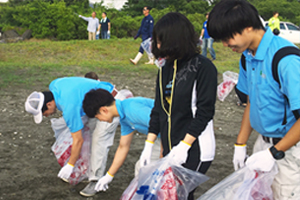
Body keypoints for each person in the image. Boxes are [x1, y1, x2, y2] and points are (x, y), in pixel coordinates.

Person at [208, 1, 300, 199]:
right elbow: (252, 101)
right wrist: (240, 145)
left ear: (248, 26)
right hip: (263, 144)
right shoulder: (247, 56)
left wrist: (274, 152)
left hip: (290, 150)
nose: (225, 44)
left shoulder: (285, 60)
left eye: (227, 37)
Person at [140, 12, 217, 200]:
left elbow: (205, 112)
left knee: (182, 194)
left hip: (194, 148)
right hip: (170, 146)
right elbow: (158, 109)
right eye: (157, 41)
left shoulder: (203, 67)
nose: (158, 46)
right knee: (168, 194)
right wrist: (149, 145)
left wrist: (184, 146)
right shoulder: (166, 68)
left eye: (161, 41)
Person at [24, 77, 121, 197]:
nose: (46, 116)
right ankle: (87, 171)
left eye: (44, 113)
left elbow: (78, 140)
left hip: (111, 103)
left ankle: (95, 180)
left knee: (99, 139)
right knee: (87, 133)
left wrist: (70, 165)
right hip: (95, 103)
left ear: (49, 104)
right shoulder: (54, 85)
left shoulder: (68, 106)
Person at [82, 89, 162, 192]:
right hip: (161, 137)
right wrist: (109, 175)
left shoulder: (132, 109)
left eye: (98, 117)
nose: (100, 120)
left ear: (104, 110)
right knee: (142, 168)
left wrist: (162, 156)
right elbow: (123, 147)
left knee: (150, 171)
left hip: (176, 134)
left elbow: (165, 125)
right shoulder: (124, 117)